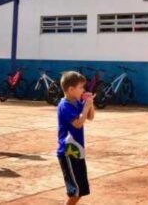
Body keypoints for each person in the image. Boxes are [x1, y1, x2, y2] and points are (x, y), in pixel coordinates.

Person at [57, 71, 95, 204]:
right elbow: (78, 123)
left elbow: (90, 117)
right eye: (81, 87)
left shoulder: (76, 102)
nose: (83, 90)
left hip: (77, 150)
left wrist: (90, 104)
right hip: (68, 152)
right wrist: (86, 106)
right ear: (71, 90)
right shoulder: (65, 106)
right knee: (76, 190)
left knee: (81, 189)